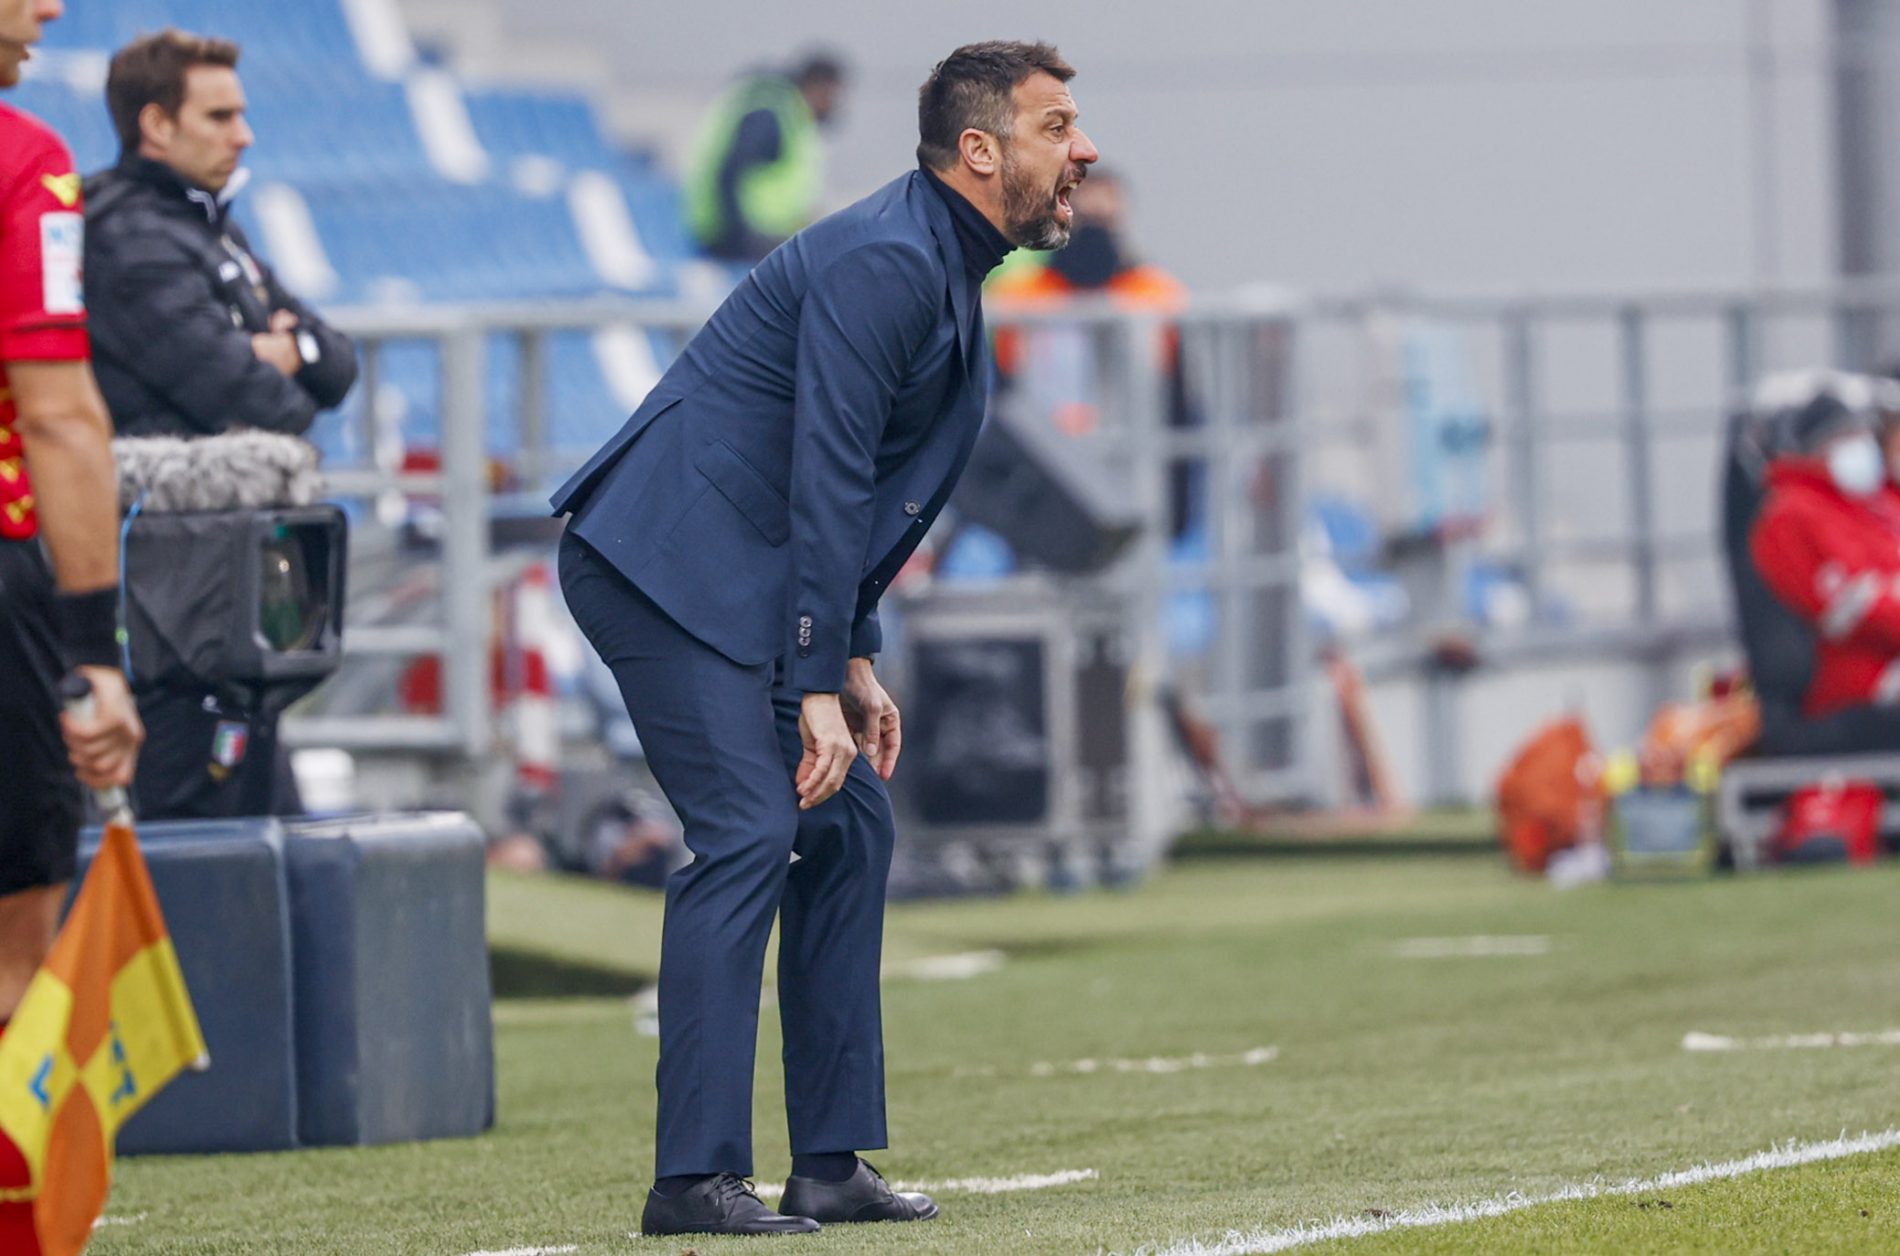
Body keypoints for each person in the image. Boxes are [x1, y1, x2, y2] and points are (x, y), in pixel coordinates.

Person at [554, 40, 1096, 1237]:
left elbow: (856, 490)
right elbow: (830, 468)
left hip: (739, 574)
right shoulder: (890, 259)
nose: (1084, 149)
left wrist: (849, 656)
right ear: (978, 151)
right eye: (1056, 127)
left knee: (848, 824)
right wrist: (815, 675)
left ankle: (829, 1164)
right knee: (749, 828)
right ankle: (691, 1180)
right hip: (660, 564)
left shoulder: (941, 257)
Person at [80, 28, 357, 821]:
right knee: (190, 844)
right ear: (156, 124)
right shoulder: (127, 235)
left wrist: (289, 349)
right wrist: (273, 356)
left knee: (265, 835)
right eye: (220, 116)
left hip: (224, 603)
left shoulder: (207, 225)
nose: (245, 135)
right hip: (166, 606)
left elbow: (336, 365)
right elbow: (265, 402)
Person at [0, 0, 145, 1241]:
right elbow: (58, 414)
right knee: (13, 954)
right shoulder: (24, 158)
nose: (48, 6)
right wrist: (94, 653)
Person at [1749, 374, 1900, 725]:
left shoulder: (1877, 502)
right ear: (1817, 447)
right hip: (1857, 682)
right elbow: (1851, 606)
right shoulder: (1789, 513)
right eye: (1844, 436)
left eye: (1862, 433)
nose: (1860, 444)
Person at [684, 51, 847, 264]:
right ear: (818, 87)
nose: (835, 105)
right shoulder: (771, 114)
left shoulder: (783, 109)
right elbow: (730, 172)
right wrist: (740, 239)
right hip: (738, 238)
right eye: (832, 96)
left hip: (747, 235)